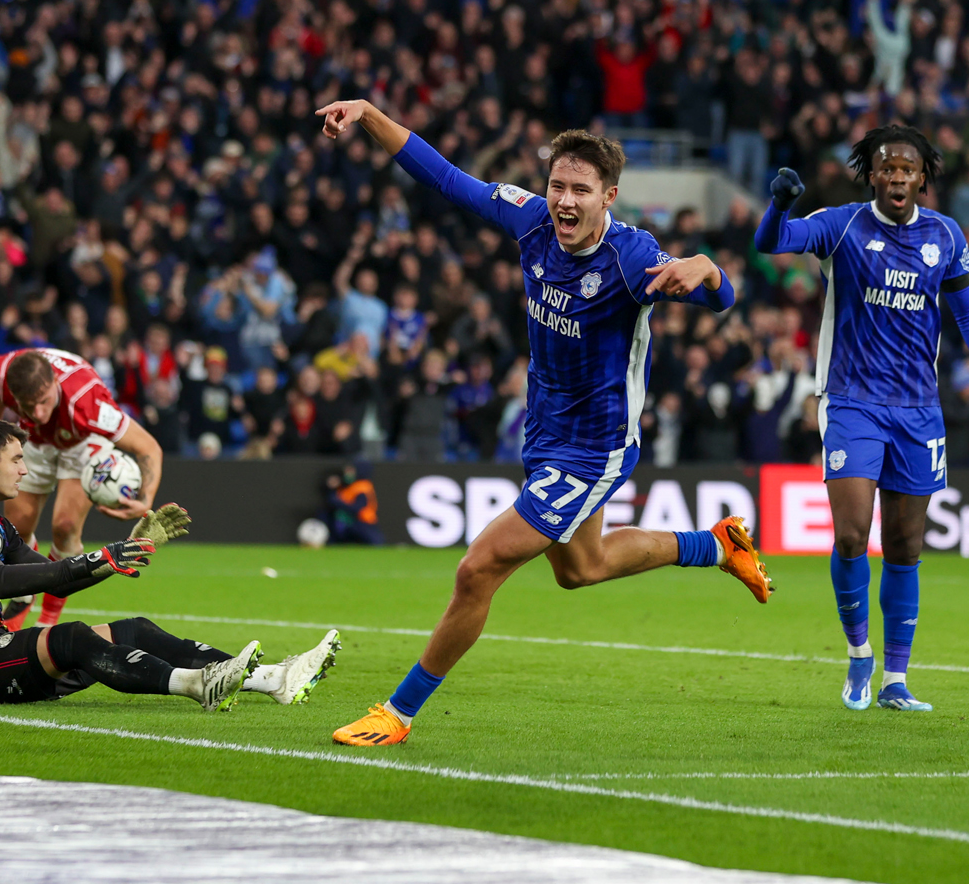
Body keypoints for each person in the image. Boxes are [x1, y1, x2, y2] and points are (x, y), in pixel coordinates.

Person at [314, 98, 770, 747]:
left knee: (478, 568)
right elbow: (443, 176)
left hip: (596, 448)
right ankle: (719, 545)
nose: (564, 198)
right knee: (580, 569)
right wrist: (367, 112)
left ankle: (398, 712)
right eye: (558, 183)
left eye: (580, 189)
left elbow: (721, 296)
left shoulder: (631, 258)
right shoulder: (530, 219)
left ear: (608, 195)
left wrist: (711, 272)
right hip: (546, 431)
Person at [753, 125, 969, 711]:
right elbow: (770, 243)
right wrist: (779, 205)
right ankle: (858, 656)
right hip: (851, 401)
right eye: (886, 167)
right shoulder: (842, 224)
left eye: (907, 168)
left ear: (923, 177)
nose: (897, 176)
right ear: (871, 175)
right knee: (852, 534)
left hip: (919, 412)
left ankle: (897, 680)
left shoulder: (946, 236)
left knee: (904, 545)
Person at [0, 416, 342, 708]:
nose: (24, 470)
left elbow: (54, 581)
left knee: (136, 629)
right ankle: (195, 685)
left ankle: (271, 680)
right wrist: (101, 557)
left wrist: (117, 557)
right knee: (72, 637)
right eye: (17, 459)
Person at [0, 347, 160, 629]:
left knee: (64, 527)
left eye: (43, 401)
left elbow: (149, 447)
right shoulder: (1, 374)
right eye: (29, 406)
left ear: (55, 382)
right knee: (15, 528)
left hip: (82, 440)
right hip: (35, 440)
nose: (38, 412)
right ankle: (25, 594)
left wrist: (146, 498)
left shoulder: (89, 403)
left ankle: (48, 621)